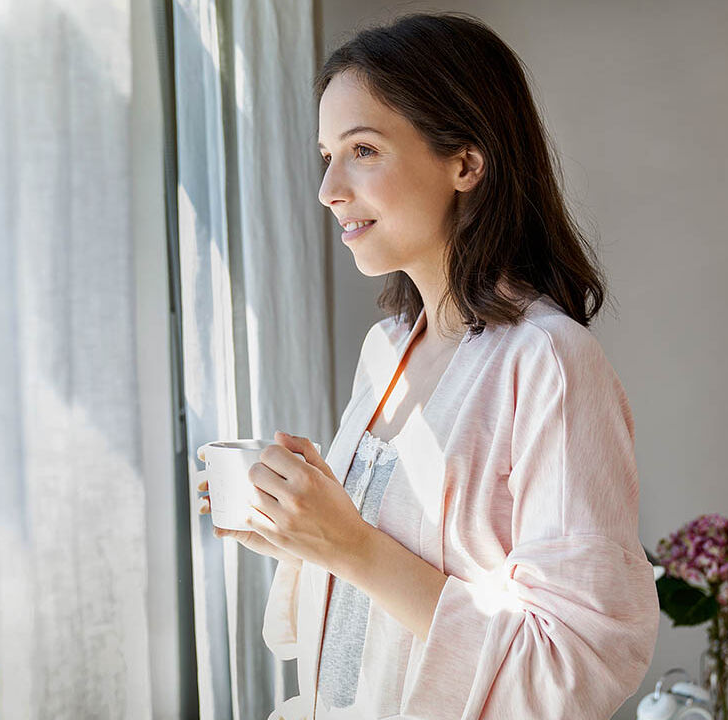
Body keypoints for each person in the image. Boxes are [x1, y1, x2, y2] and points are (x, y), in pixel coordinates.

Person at [198, 12, 658, 719]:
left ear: (466, 163)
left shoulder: (549, 364)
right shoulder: (387, 350)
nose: (329, 189)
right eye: (327, 155)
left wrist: (349, 544)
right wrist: (294, 525)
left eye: (363, 150)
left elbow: (573, 668)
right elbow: (377, 610)